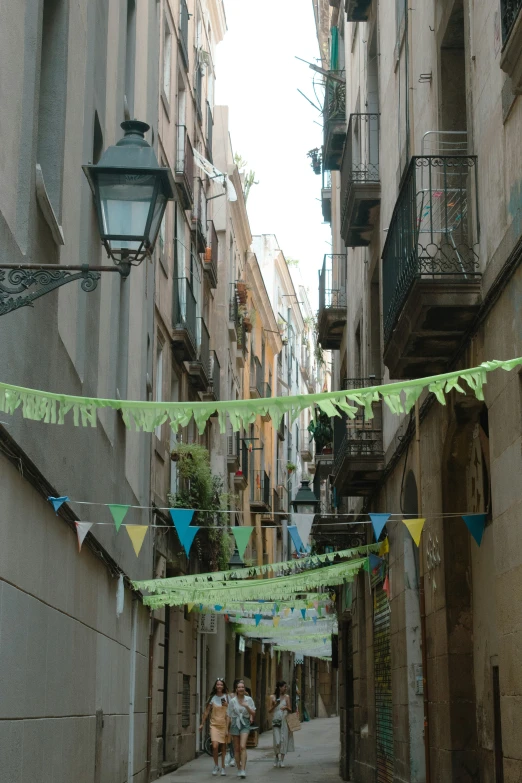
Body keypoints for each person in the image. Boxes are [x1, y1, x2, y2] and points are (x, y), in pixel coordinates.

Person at [200, 678, 230, 776]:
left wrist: (227, 705)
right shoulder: (212, 697)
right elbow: (207, 711)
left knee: (223, 747)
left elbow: (230, 712)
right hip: (214, 725)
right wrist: (202, 723)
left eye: (221, 684)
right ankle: (216, 765)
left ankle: (223, 767)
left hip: (224, 725)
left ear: (223, 686)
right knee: (215, 746)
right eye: (218, 684)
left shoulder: (227, 697)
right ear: (215, 686)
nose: (219, 686)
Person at [227, 679, 256, 779]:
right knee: (237, 748)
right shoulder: (232, 701)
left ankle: (243, 769)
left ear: (244, 689)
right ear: (236, 689)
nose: (241, 689)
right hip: (235, 723)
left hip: (245, 722)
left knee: (243, 746)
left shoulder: (249, 700)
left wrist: (247, 706)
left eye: (242, 687)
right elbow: (229, 716)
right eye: (239, 687)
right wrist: (227, 729)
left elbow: (253, 713)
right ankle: (239, 768)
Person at [269, 680, 294, 768]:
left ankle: (281, 760)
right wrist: (276, 705)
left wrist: (286, 707)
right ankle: (276, 757)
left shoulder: (287, 697)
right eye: (284, 687)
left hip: (284, 720)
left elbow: (290, 709)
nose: (286, 688)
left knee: (284, 740)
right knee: (277, 741)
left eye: (286, 687)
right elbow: (269, 710)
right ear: (280, 687)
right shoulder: (272, 697)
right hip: (276, 720)